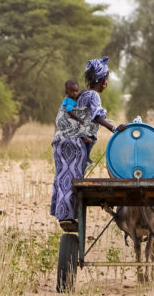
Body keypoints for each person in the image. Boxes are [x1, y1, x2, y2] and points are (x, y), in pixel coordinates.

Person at [50, 56, 126, 229]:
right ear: (102, 80)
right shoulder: (93, 95)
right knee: (74, 178)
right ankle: (69, 217)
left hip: (60, 142)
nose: (107, 83)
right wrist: (114, 129)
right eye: (106, 79)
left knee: (63, 177)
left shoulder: (79, 94)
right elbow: (97, 116)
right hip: (76, 143)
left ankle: (64, 216)